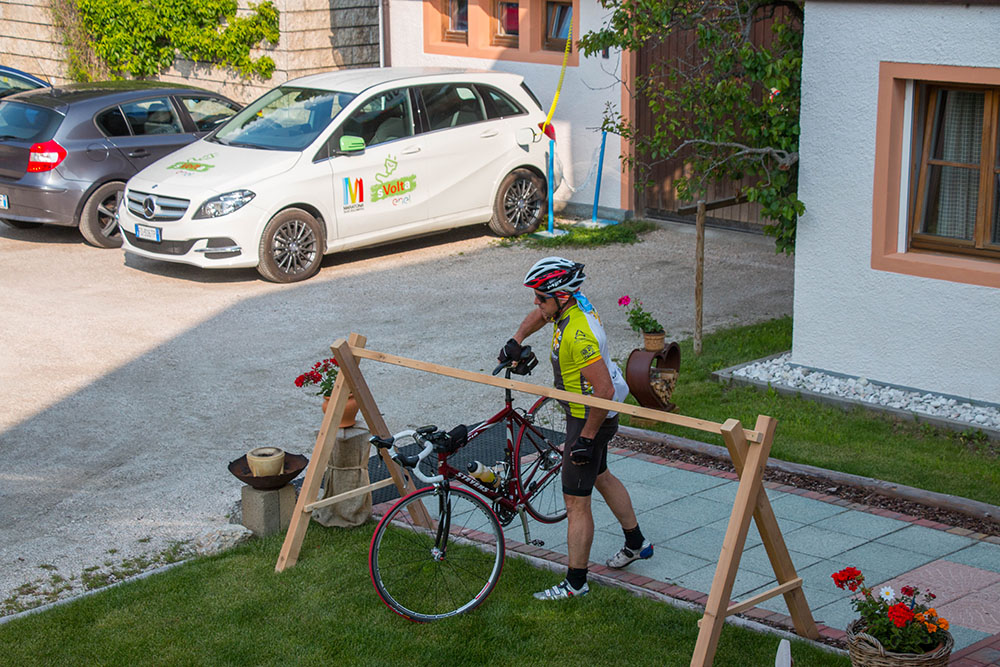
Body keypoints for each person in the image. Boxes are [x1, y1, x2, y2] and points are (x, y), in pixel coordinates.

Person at [499, 256, 653, 600]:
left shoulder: (579, 334)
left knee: (575, 502)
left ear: (561, 298)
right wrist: (518, 337)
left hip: (590, 416)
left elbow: (605, 392)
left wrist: (584, 438)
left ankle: (576, 583)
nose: (536, 304)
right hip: (590, 413)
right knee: (601, 475)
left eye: (541, 298)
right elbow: (542, 314)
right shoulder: (570, 303)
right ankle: (637, 542)